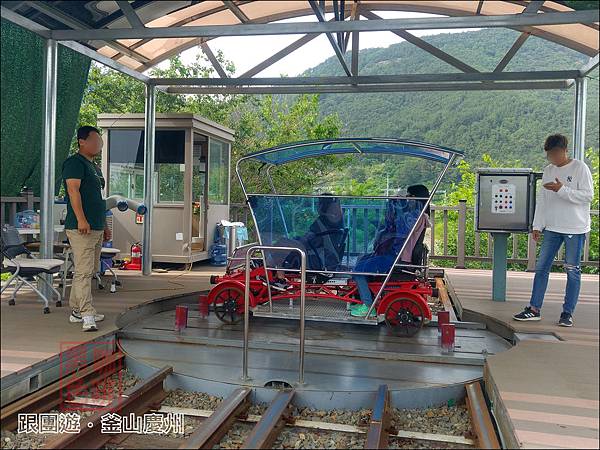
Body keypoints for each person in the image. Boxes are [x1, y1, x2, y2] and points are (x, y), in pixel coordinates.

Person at [513, 134, 594, 327]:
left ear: (565, 150)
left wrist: (562, 189)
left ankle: (567, 312)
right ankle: (534, 309)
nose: (553, 158)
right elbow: (543, 200)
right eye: (549, 155)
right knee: (541, 268)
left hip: (575, 227)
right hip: (552, 227)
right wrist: (537, 225)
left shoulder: (579, 168)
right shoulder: (548, 170)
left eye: (555, 154)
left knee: (572, 270)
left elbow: (588, 196)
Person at [351, 185, 430, 317]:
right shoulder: (418, 216)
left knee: (358, 270)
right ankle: (365, 296)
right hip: (397, 255)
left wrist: (396, 207)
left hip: (397, 258)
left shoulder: (415, 216)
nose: (406, 200)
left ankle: (367, 305)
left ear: (416, 198)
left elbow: (397, 230)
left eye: (408, 197)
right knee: (363, 259)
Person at [63, 126, 110, 331]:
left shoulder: (95, 168)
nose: (98, 144)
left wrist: (105, 226)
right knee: (82, 271)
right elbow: (73, 191)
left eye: (100, 141)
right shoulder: (74, 163)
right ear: (82, 141)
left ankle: (76, 310)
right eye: (95, 140)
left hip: (97, 226)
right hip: (81, 227)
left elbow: (99, 199)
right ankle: (87, 314)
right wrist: (81, 219)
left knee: (90, 270)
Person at [266, 194, 344, 291]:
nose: (317, 205)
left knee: (282, 243)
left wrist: (295, 240)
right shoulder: (335, 220)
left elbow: (312, 240)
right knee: (285, 243)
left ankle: (277, 276)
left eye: (319, 203)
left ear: (324, 205)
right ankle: (277, 273)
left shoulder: (325, 220)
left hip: (318, 258)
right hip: (321, 254)